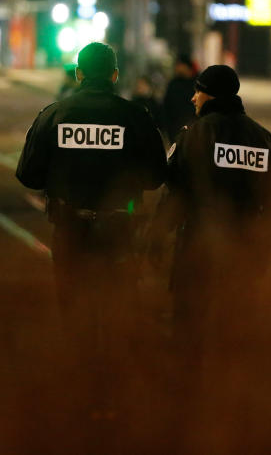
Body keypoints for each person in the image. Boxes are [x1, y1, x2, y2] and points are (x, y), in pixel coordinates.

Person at [16, 43, 166, 370]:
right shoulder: (136, 117)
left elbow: (28, 175)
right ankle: (115, 376)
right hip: (120, 229)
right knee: (118, 304)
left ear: (79, 74)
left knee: (74, 305)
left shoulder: (54, 114)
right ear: (114, 74)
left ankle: (80, 374)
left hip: (70, 228)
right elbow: (156, 177)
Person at [151, 64, 271, 366]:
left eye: (197, 92)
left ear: (208, 94)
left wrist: (155, 237)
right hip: (245, 254)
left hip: (197, 253)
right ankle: (231, 396)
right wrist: (261, 242)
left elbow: (175, 194)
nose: (193, 99)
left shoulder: (193, 135)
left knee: (190, 332)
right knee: (236, 331)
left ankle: (189, 395)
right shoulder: (263, 139)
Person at [162, 54, 198, 141]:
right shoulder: (174, 84)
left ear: (186, 66)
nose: (176, 68)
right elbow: (166, 105)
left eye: (179, 65)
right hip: (175, 129)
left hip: (194, 128)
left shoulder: (198, 82)